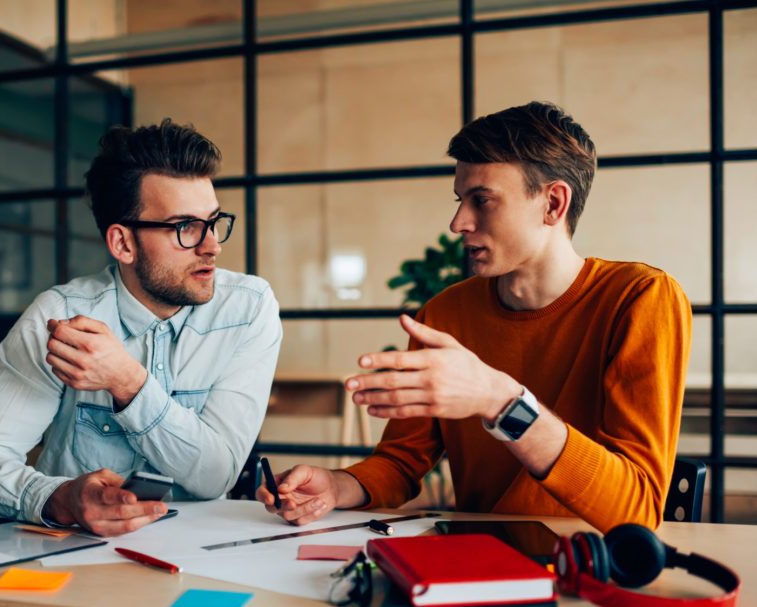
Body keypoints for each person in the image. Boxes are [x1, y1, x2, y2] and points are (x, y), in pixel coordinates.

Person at [258, 101, 691, 533]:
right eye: (460, 200)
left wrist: (502, 401)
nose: (458, 222)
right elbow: (401, 462)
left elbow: (637, 508)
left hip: (591, 566)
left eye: (482, 200)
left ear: (553, 204)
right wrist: (337, 485)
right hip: (476, 561)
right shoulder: (445, 313)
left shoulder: (641, 299)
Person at [0, 119, 282, 535]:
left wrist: (127, 382)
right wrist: (59, 499)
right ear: (123, 243)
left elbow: (216, 476)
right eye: (185, 228)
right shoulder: (60, 316)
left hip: (199, 556)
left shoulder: (247, 309)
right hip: (68, 554)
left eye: (213, 222)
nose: (212, 245)